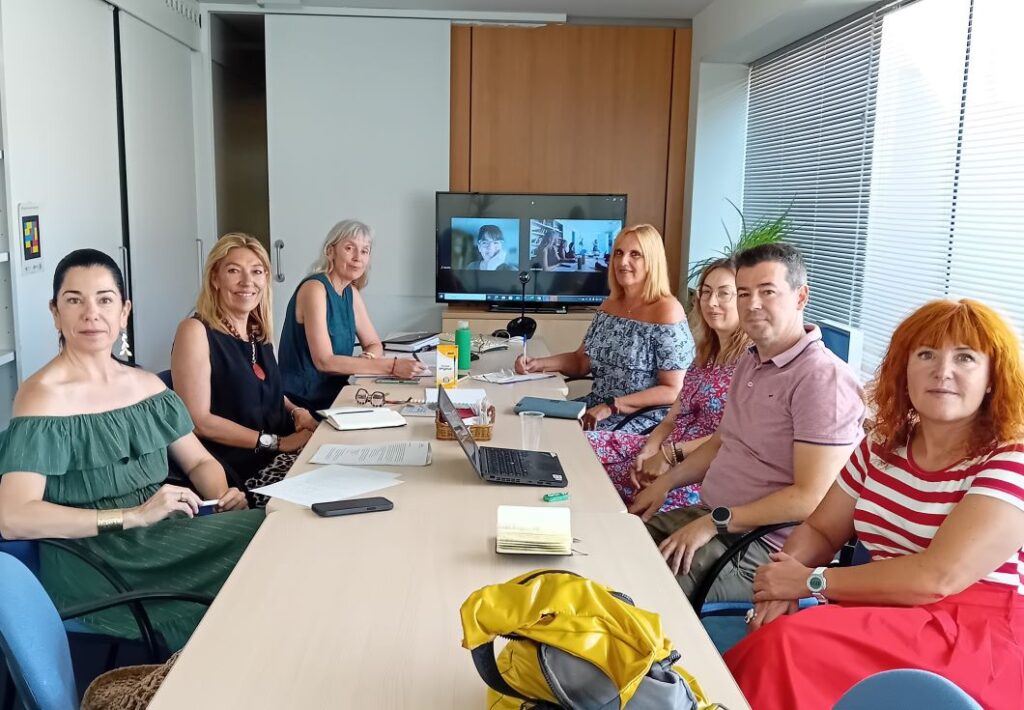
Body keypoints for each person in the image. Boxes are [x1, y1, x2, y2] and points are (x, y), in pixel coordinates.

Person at [729, 299, 1024, 710]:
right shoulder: (882, 444)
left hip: (971, 634)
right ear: (904, 370)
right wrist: (779, 585)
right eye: (926, 354)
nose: (943, 371)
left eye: (965, 358)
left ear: (992, 378)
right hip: (881, 610)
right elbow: (821, 530)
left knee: (784, 647)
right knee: (774, 642)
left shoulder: (1012, 458)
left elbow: (936, 578)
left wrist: (810, 581)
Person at [0, 249, 262, 652]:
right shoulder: (41, 397)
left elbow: (199, 460)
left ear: (124, 312)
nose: (91, 313)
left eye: (104, 300)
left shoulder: (147, 387)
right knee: (264, 545)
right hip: (97, 561)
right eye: (75, 300)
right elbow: (13, 518)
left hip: (161, 535)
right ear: (55, 312)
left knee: (272, 531)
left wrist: (220, 497)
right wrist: (132, 516)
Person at [630, 243, 864, 603]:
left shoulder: (823, 379)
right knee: (613, 546)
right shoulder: (750, 361)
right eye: (743, 293)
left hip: (759, 546)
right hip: (712, 518)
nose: (752, 304)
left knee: (637, 591)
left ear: (800, 297)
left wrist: (715, 522)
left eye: (767, 292)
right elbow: (723, 440)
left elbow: (812, 498)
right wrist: (666, 482)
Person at [586, 258, 750, 510]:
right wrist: (649, 451)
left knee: (600, 489)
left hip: (695, 472)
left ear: (744, 299)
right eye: (706, 292)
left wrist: (668, 456)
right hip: (662, 450)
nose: (711, 302)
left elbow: (730, 438)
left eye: (724, 293)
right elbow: (670, 419)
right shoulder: (704, 355)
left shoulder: (752, 363)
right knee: (579, 450)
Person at [172, 234, 318, 506]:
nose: (247, 281)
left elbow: (265, 391)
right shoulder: (194, 331)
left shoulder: (257, 331)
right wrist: (276, 442)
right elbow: (199, 421)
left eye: (257, 271)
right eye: (233, 271)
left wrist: (295, 411)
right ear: (215, 279)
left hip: (280, 454)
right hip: (239, 476)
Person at [515, 224, 693, 433]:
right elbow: (581, 362)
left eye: (635, 254)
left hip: (641, 420)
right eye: (619, 253)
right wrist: (537, 364)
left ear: (652, 261)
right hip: (596, 409)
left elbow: (674, 390)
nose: (623, 261)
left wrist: (613, 406)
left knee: (559, 439)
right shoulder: (609, 305)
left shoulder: (667, 310)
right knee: (527, 420)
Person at [278, 220, 429, 412]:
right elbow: (324, 361)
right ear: (330, 251)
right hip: (304, 403)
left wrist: (369, 357)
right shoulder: (314, 289)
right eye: (349, 248)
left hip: (338, 394)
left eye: (364, 251)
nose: (358, 257)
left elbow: (374, 343)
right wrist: (392, 366)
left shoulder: (351, 292)